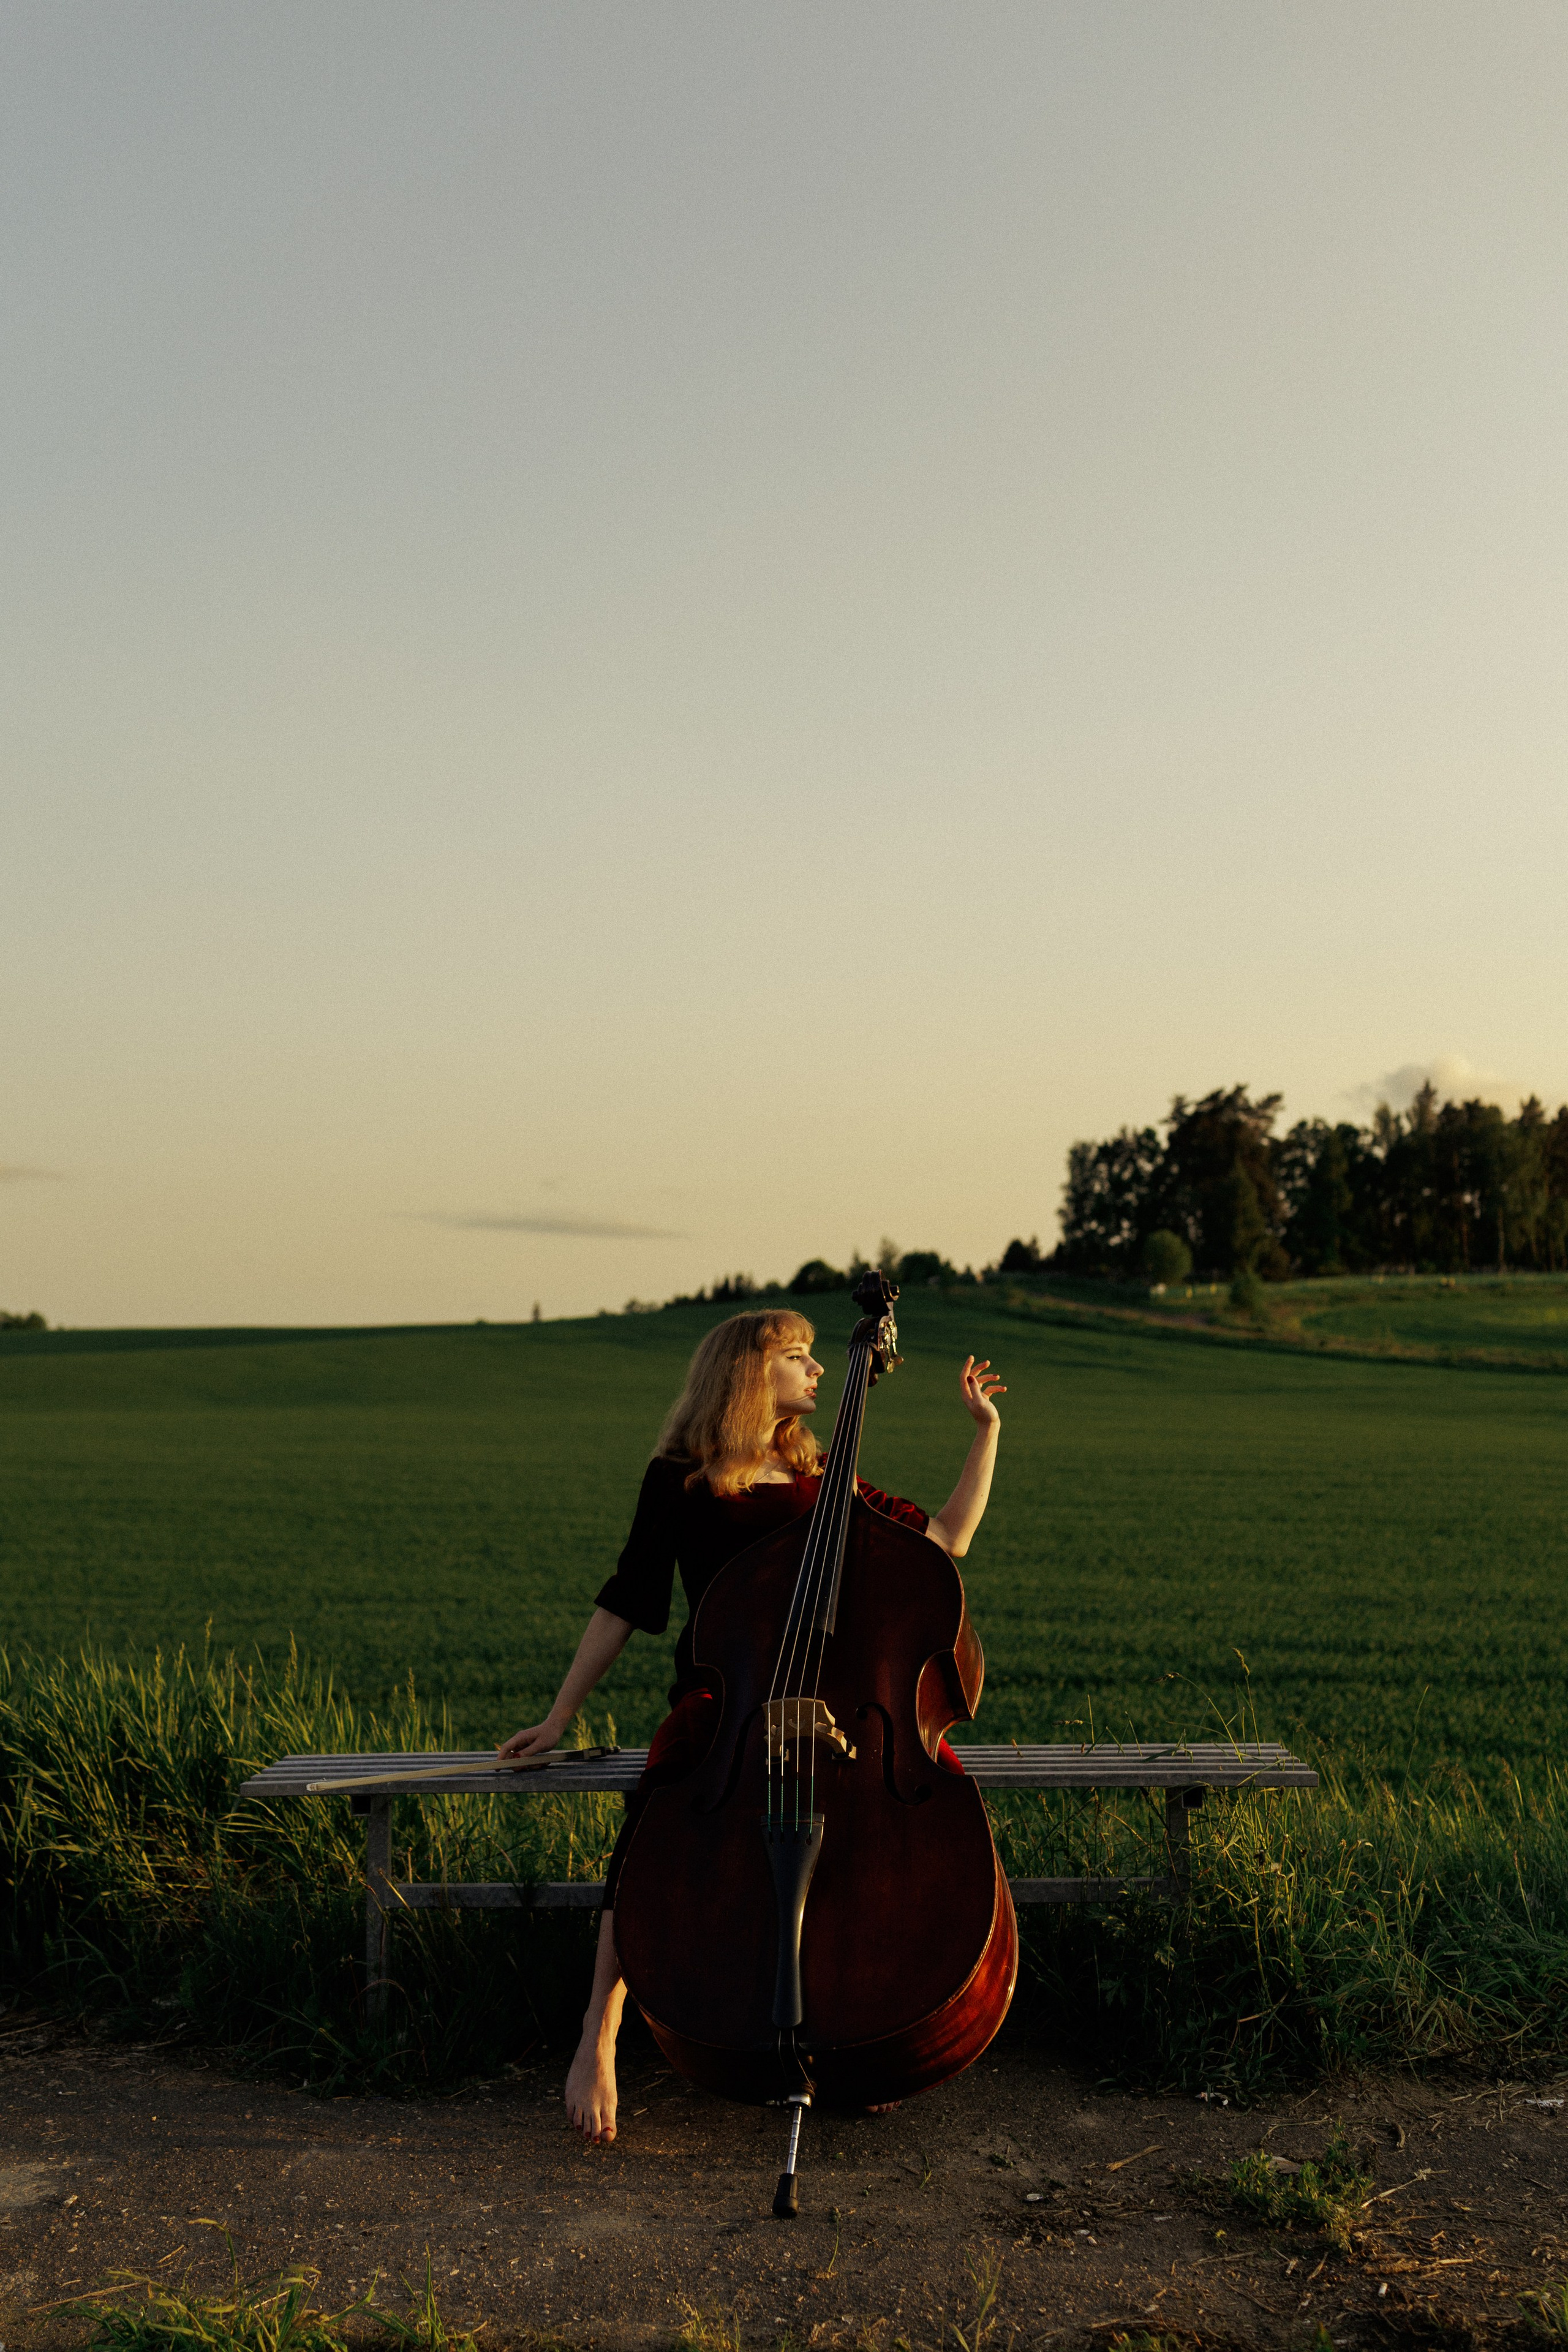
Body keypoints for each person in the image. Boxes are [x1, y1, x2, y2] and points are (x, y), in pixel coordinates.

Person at [497, 1306, 1005, 2146]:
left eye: (816, 1355)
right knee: (656, 1828)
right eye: (797, 1356)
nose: (816, 1371)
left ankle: (869, 2035)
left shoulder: (824, 1478)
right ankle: (600, 2034)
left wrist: (985, 1432)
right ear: (745, 1371)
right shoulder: (680, 1477)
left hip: (841, 1710)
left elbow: (945, 1540)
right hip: (727, 1709)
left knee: (903, 1823)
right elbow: (628, 1601)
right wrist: (560, 1715)